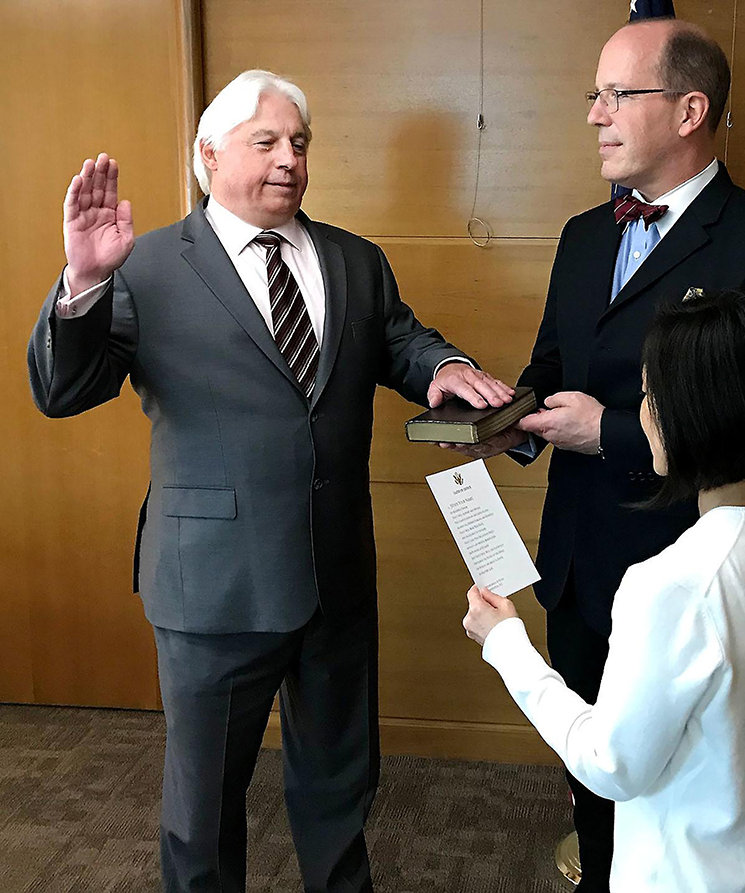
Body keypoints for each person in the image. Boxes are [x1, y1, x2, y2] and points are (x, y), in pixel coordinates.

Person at [27, 69, 513, 893]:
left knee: (339, 784)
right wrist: (81, 285)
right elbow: (62, 391)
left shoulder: (356, 260)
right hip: (213, 587)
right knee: (204, 804)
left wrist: (446, 365)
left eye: (299, 142)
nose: (289, 159)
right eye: (266, 142)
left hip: (334, 575)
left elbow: (400, 339)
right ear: (208, 155)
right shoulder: (141, 267)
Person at [446, 18, 745, 888]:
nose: (595, 115)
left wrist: (609, 432)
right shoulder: (584, 235)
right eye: (593, 95)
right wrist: (509, 417)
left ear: (691, 109)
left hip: (699, 565)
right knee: (592, 778)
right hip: (581, 557)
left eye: (618, 94)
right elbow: (554, 369)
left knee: (695, 783)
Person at [462, 289, 745, 893]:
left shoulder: (674, 584)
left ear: (695, 415)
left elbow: (610, 765)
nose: (642, 411)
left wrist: (507, 645)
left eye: (650, 395)